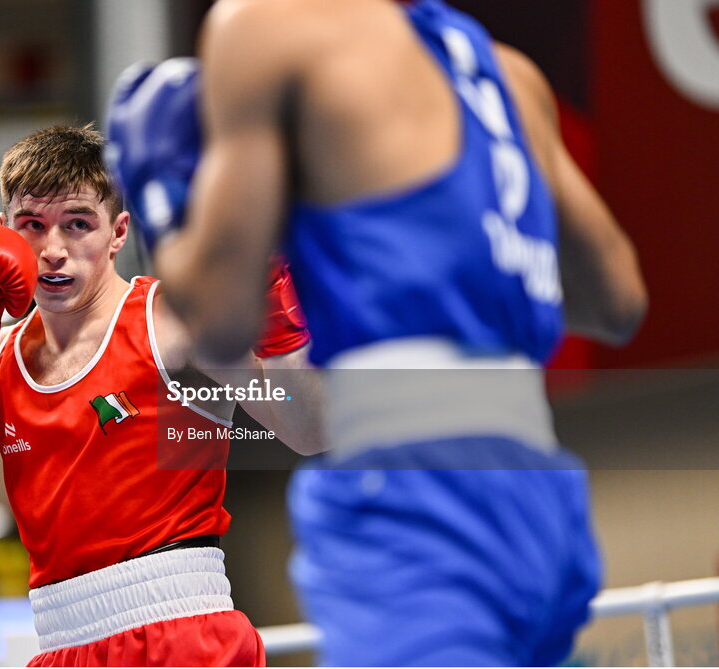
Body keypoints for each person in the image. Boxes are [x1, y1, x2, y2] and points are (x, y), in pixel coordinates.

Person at [106, 0, 648, 665]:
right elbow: (617, 301)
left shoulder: (264, 28)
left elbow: (219, 324)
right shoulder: (507, 75)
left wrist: (163, 202)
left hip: (413, 489)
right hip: (539, 486)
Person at [0, 123, 322, 666]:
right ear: (4, 228)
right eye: (33, 225)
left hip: (181, 632)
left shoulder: (171, 321)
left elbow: (310, 430)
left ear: (118, 232)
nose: (53, 249)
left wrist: (276, 309)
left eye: (78, 224)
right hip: (60, 644)